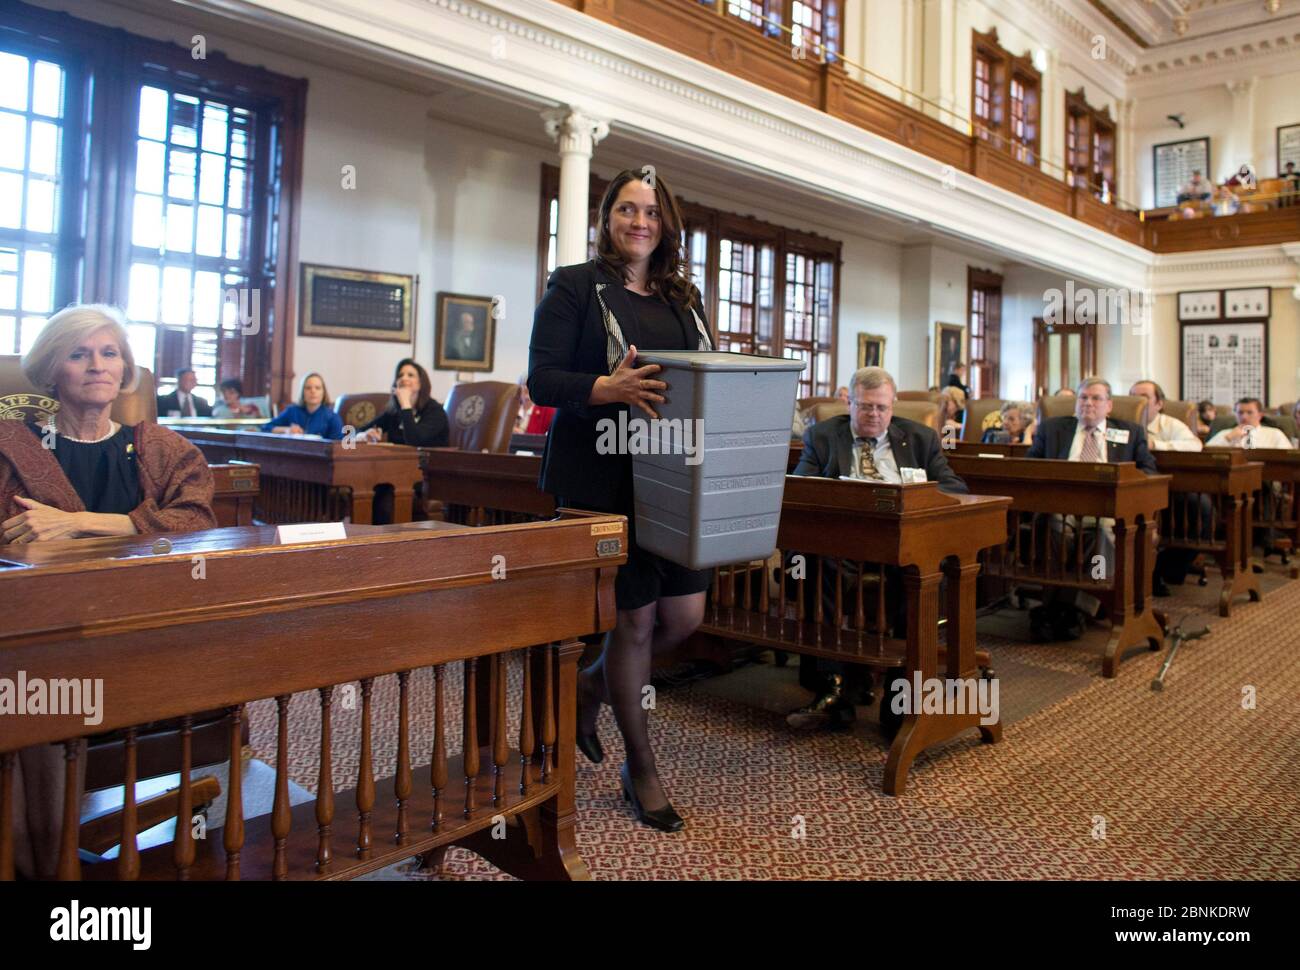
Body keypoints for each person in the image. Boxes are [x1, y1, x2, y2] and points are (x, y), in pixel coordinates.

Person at [529, 167, 715, 833]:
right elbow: (542, 378)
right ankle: (643, 769)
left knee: (685, 616)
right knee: (633, 622)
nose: (639, 222)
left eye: (651, 212)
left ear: (666, 224)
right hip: (605, 479)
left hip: (675, 475)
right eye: (626, 210)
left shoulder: (683, 297)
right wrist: (608, 389)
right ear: (608, 217)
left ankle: (591, 683)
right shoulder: (575, 286)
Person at [0, 303, 216, 879]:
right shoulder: (11, 450)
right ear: (51, 371)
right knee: (29, 681)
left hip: (143, 631)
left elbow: (198, 520)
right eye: (79, 353)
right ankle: (41, 859)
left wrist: (84, 523)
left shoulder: (164, 449)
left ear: (126, 371)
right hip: (42, 632)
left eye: (109, 353)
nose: (97, 365)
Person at [787, 366, 968, 729]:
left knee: (921, 573)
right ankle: (833, 687)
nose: (873, 415)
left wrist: (918, 499)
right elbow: (801, 486)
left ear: (893, 405)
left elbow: (955, 488)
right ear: (849, 402)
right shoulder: (823, 436)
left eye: (882, 408)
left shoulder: (919, 439)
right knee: (816, 563)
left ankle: (901, 691)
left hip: (903, 545)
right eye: (865, 406)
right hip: (842, 543)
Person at [1026, 377, 1159, 630]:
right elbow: (1031, 468)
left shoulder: (1130, 432)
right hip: (1061, 508)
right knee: (1054, 526)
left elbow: (1149, 472)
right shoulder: (1052, 429)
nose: (1088, 403)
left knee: (1102, 531)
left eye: (1096, 398)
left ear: (1109, 405)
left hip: (1109, 510)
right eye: (1083, 397)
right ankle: (1060, 602)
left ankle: (1082, 604)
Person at [359, 359, 449, 447]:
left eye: (410, 375)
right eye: (400, 375)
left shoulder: (435, 411)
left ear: (421, 383)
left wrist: (405, 403)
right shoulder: (394, 412)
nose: (403, 378)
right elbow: (354, 432)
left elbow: (415, 441)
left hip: (429, 460)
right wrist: (364, 435)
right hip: (398, 460)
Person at [261, 372, 345, 439]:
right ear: (302, 392)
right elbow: (265, 428)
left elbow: (337, 447)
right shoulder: (292, 411)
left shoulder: (333, 418)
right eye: (308, 388)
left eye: (317, 388)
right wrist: (286, 430)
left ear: (323, 392)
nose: (313, 391)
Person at [1130, 380, 1201, 452]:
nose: (1137, 403)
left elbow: (1195, 445)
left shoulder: (1171, 424)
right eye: (1133, 398)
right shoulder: (1123, 423)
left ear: (1159, 404)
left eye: (1144, 398)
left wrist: (1154, 444)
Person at [1205, 398, 1293, 449]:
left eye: (1249, 412)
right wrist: (1228, 438)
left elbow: (1288, 457)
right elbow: (1205, 453)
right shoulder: (1226, 434)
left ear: (1260, 415)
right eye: (1240, 412)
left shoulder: (1274, 434)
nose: (1244, 417)